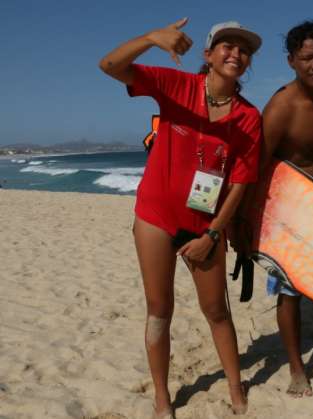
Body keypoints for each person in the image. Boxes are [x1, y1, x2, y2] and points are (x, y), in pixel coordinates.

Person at [99, 18, 262, 417]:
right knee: (159, 310)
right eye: (227, 45)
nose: (235, 54)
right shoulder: (178, 87)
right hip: (155, 217)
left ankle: (236, 389)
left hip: (204, 225)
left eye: (244, 50)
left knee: (217, 311)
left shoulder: (248, 118)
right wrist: (151, 38)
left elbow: (239, 185)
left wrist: (212, 233)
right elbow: (110, 66)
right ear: (207, 55)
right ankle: (161, 396)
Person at [238, 20, 313, 398]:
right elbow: (253, 172)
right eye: (307, 58)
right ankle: (296, 368)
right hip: (288, 211)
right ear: (291, 61)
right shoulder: (281, 107)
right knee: (291, 293)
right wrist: (243, 227)